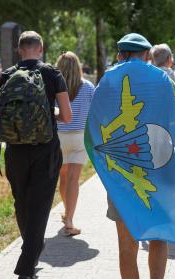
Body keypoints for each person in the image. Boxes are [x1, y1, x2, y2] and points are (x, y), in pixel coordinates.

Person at [102, 33, 175, 279]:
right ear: (147, 55)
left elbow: (96, 127)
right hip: (160, 172)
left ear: (120, 55)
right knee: (159, 238)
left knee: (127, 245)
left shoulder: (108, 82)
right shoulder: (164, 81)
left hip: (122, 175)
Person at [0, 31, 71, 279]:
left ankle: (32, 248)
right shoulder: (52, 74)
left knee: (22, 202)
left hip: (15, 150)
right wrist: (49, 115)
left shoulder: (6, 75)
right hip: (45, 148)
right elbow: (67, 116)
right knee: (40, 205)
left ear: (19, 50)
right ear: (41, 48)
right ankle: (28, 262)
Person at [55, 51, 95, 236]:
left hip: (59, 136)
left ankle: (66, 211)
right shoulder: (87, 87)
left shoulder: (53, 87)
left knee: (63, 176)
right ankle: (70, 218)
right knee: (73, 178)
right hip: (80, 136)